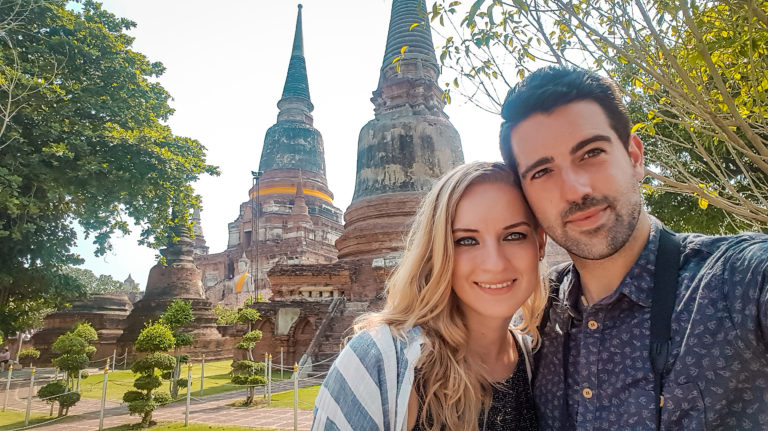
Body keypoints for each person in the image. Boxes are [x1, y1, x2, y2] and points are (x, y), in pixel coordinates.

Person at [499, 66, 768, 430]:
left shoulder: (735, 284)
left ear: (635, 157)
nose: (575, 189)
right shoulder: (536, 319)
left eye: (591, 152)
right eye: (542, 172)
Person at [312, 162, 548, 430]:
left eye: (514, 235)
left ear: (540, 243)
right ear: (437, 251)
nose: (494, 263)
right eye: (466, 240)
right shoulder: (380, 361)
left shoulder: (538, 362)